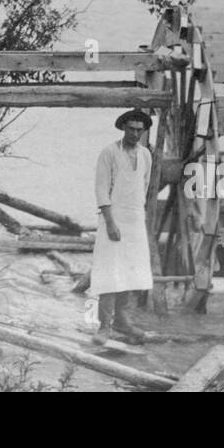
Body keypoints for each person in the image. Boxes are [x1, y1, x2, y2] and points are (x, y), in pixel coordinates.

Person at [89, 109, 154, 345]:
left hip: (135, 219)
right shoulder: (109, 153)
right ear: (123, 128)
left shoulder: (146, 155)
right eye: (131, 129)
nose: (135, 134)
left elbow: (143, 187)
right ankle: (104, 325)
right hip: (113, 218)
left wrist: (137, 216)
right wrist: (110, 222)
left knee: (130, 270)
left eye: (140, 130)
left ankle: (122, 321)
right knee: (109, 270)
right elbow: (101, 189)